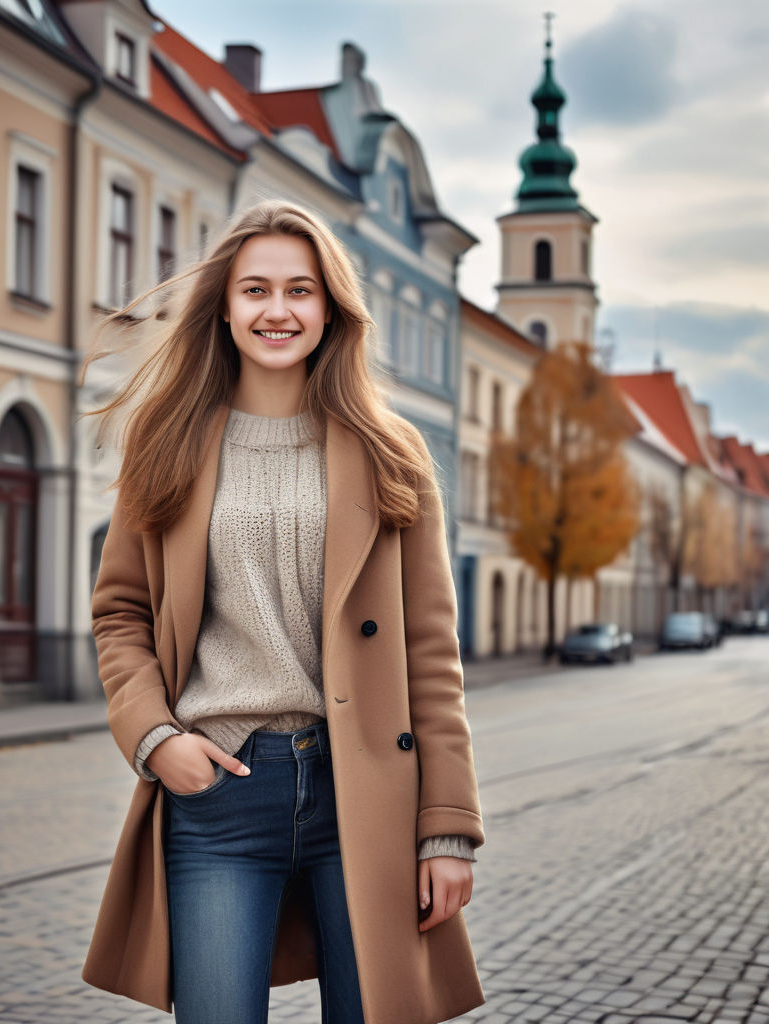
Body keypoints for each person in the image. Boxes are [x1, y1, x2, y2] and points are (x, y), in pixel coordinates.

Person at [81, 200, 485, 1024]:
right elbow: (120, 612)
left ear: (331, 308)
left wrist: (447, 828)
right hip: (221, 793)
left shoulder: (390, 451)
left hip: (364, 789)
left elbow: (429, 652)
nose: (277, 310)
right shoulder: (167, 441)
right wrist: (156, 740)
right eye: (255, 289)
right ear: (225, 309)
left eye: (300, 290)